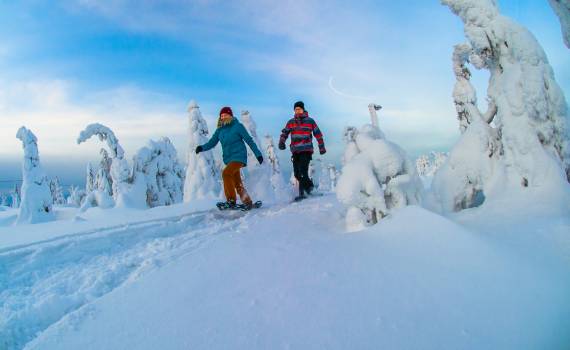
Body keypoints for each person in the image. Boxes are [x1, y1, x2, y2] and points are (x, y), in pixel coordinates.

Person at [195, 106, 263, 210]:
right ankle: (247, 201)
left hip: (239, 156)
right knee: (237, 182)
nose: (223, 117)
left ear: (231, 116)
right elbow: (212, 143)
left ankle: (231, 200)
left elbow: (249, 140)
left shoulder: (238, 126)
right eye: (222, 115)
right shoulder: (220, 130)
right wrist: (202, 148)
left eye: (226, 115)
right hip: (229, 159)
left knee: (226, 173)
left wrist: (258, 154)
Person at [279, 101, 326, 201]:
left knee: (302, 172)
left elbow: (318, 134)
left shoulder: (310, 121)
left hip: (306, 149)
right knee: (297, 173)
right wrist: (281, 142)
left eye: (299, 109)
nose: (298, 111)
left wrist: (321, 147)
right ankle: (310, 189)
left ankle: (302, 194)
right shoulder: (291, 122)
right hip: (295, 151)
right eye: (296, 109)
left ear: (303, 109)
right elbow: (285, 132)